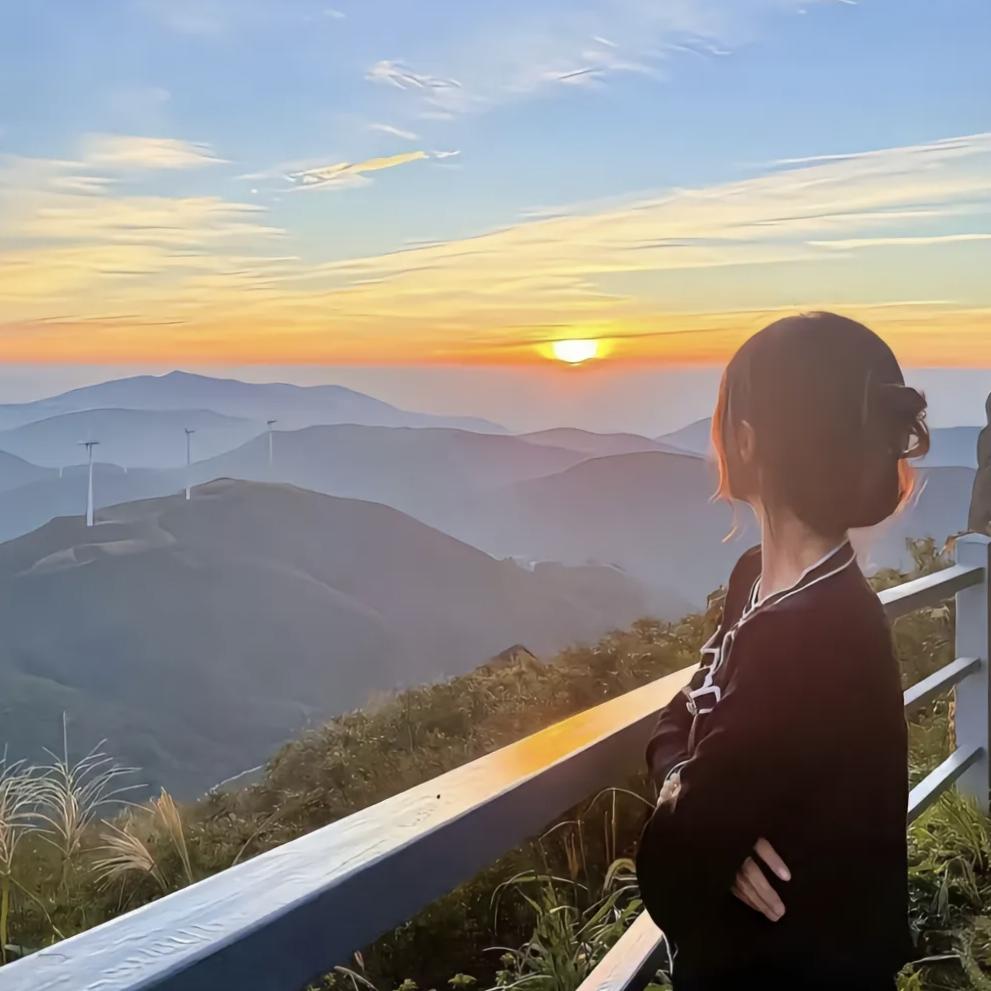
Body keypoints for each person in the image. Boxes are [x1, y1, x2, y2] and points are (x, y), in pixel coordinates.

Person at [635, 312, 929, 990]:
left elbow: (671, 871)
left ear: (745, 441)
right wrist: (692, 789)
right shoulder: (760, 582)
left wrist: (700, 820)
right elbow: (683, 715)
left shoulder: (809, 633)